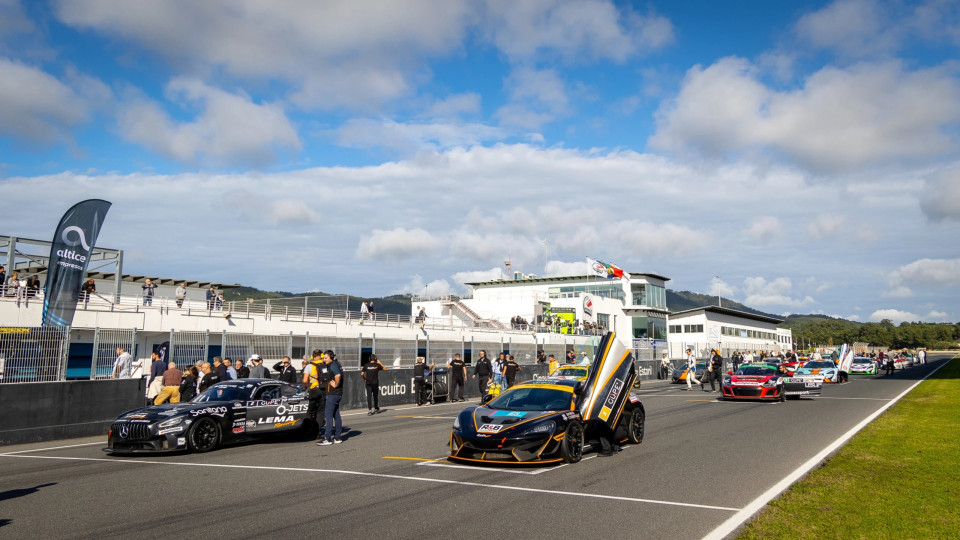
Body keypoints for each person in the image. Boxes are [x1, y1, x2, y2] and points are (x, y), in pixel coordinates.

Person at [317, 350, 344, 445]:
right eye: (323, 358)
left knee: (328, 415)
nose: (324, 360)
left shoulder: (333, 365)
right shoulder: (336, 364)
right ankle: (337, 437)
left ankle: (327, 438)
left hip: (333, 394)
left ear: (331, 357)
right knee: (336, 415)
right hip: (337, 394)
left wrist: (336, 384)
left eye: (326, 358)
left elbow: (338, 375)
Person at [304, 352, 326, 431]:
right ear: (321, 356)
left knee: (310, 411)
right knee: (321, 411)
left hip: (313, 390)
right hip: (323, 390)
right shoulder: (324, 365)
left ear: (312, 356)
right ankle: (318, 431)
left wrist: (305, 388)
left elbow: (305, 380)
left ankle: (307, 429)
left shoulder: (309, 366)